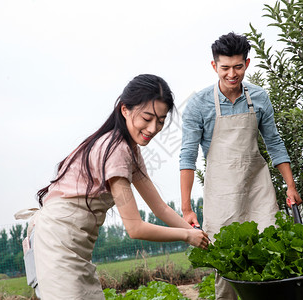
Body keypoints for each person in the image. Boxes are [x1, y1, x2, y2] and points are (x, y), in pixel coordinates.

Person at [22, 74, 209, 299]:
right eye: (147, 118)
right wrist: (187, 236)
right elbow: (135, 228)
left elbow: (161, 209)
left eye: (160, 120)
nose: (153, 128)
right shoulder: (117, 150)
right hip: (56, 243)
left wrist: (196, 233)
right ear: (125, 110)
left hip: (73, 245)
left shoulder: (129, 150)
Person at [179, 32, 303, 299]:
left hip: (257, 188)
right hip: (221, 194)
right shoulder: (199, 105)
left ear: (247, 63)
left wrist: (290, 186)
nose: (232, 74)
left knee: (270, 251)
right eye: (225, 68)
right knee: (227, 263)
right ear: (215, 67)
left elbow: (274, 143)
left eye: (237, 67)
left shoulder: (259, 98)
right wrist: (186, 207)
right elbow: (187, 156)